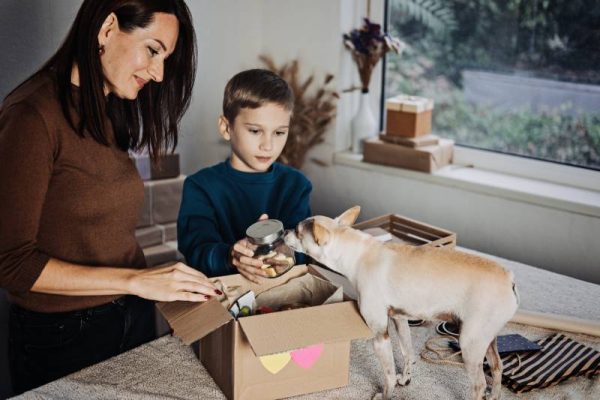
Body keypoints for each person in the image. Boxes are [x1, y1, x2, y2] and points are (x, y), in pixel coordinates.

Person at [0, 0, 219, 394]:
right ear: (107, 29)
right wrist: (138, 281)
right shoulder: (31, 116)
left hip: (130, 315)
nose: (158, 73)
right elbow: (11, 264)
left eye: (165, 58)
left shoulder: (109, 108)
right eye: (153, 50)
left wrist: (164, 290)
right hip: (63, 337)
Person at [177, 69, 312, 283]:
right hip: (222, 299)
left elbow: (304, 252)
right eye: (255, 131)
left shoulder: (296, 185)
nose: (268, 145)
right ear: (226, 127)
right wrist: (231, 256)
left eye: (279, 132)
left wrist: (277, 250)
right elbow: (196, 251)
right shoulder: (200, 186)